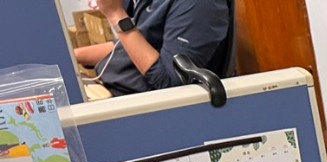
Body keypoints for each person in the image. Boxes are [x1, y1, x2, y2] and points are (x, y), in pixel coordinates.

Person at [74, 0, 231, 97]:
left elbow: (171, 83)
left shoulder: (198, 5)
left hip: (143, 107)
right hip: (110, 87)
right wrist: (72, 57)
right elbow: (133, 45)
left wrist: (116, 15)